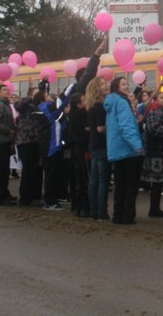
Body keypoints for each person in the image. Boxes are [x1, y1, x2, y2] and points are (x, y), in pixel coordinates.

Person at [105, 76, 144, 225]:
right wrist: (137, 145)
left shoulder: (111, 102)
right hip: (128, 149)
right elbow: (126, 126)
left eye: (127, 83)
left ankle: (118, 214)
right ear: (116, 87)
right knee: (130, 185)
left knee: (120, 184)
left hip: (116, 149)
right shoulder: (122, 103)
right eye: (123, 84)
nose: (127, 86)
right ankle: (127, 215)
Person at [141, 90, 163, 218]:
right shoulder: (154, 111)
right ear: (156, 100)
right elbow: (152, 128)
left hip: (160, 150)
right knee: (157, 182)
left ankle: (155, 208)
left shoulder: (162, 111)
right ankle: (154, 209)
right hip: (156, 151)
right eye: (162, 97)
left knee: (158, 183)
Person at [85, 77, 111, 220]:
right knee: (103, 180)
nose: (106, 85)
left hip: (94, 145)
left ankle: (93, 210)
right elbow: (101, 128)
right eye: (102, 84)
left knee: (94, 180)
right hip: (101, 145)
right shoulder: (100, 107)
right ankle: (101, 211)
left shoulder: (92, 106)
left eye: (105, 82)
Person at [14, 90, 44, 206]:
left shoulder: (37, 108)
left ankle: (35, 194)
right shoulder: (26, 107)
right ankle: (25, 197)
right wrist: (29, 98)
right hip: (26, 141)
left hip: (35, 141)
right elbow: (18, 105)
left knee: (36, 169)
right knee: (28, 169)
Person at [66, 92, 90, 217]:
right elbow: (85, 131)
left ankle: (75, 206)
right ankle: (84, 206)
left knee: (75, 178)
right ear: (79, 104)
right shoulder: (82, 113)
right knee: (83, 177)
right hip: (81, 148)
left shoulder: (71, 114)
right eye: (84, 100)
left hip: (74, 148)